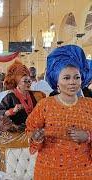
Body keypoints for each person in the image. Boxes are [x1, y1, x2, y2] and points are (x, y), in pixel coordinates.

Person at [26, 45, 92, 179]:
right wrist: (36, 137)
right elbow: (30, 130)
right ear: (57, 81)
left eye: (76, 77)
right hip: (49, 171)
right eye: (66, 78)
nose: (72, 82)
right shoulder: (45, 105)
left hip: (83, 171)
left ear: (82, 79)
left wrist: (87, 136)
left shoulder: (89, 105)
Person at [0, 60, 45, 178]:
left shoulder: (35, 95)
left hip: (33, 134)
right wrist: (12, 111)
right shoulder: (10, 96)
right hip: (16, 136)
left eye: (29, 80)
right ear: (17, 83)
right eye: (25, 80)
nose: (28, 82)